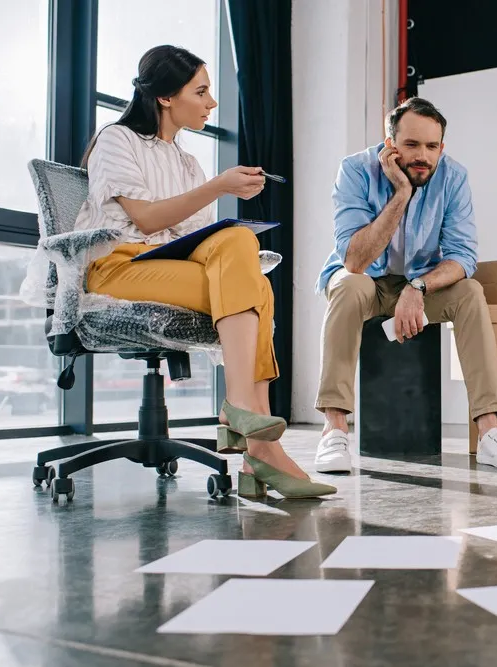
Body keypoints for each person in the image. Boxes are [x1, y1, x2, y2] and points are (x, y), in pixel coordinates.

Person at [75, 45, 334, 499]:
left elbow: (194, 240)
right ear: (166, 98)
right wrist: (218, 186)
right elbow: (148, 220)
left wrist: (227, 219)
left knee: (240, 250)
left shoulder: (186, 162)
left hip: (166, 268)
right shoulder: (116, 140)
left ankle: (248, 428)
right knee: (251, 283)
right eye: (202, 91)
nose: (212, 102)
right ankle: (257, 441)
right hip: (118, 268)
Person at [314, 97, 497, 472]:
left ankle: (490, 430)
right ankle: (334, 430)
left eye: (432, 147)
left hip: (418, 284)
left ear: (442, 147)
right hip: (367, 282)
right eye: (412, 145)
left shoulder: (453, 176)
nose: (423, 156)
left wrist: (417, 288)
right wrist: (401, 194)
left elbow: (463, 257)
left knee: (470, 293)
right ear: (390, 144)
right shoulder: (354, 170)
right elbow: (355, 260)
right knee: (348, 286)